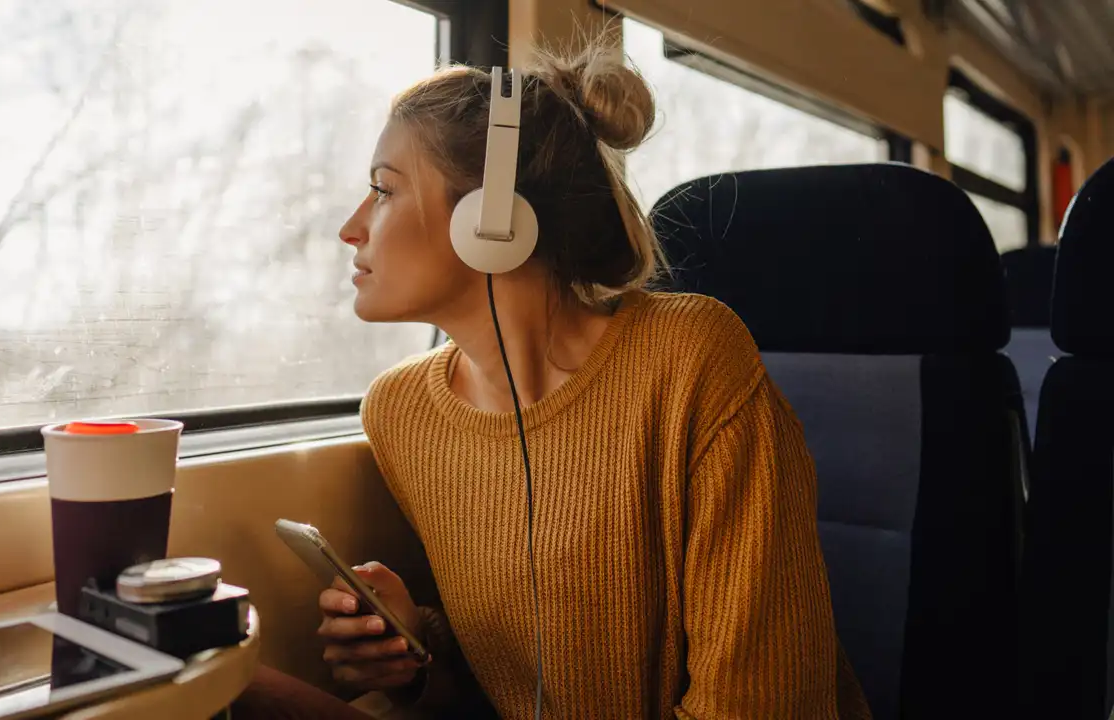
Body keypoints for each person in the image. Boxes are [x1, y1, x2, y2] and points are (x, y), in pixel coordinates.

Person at [232, 37, 873, 720]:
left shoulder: (691, 358)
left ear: (491, 219)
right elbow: (512, 689)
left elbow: (763, 704)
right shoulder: (400, 412)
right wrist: (416, 657)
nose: (350, 229)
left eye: (384, 190)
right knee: (227, 689)